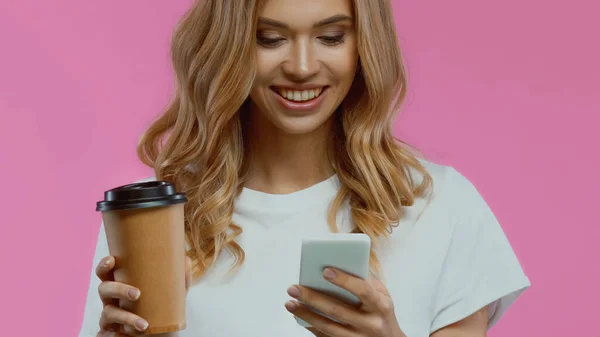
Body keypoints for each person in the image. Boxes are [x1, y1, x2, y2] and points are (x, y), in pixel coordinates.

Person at [78, 0, 530, 336]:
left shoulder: (440, 206)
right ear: (229, 46)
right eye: (269, 38)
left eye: (331, 37)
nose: (301, 67)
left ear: (363, 46)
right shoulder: (154, 216)